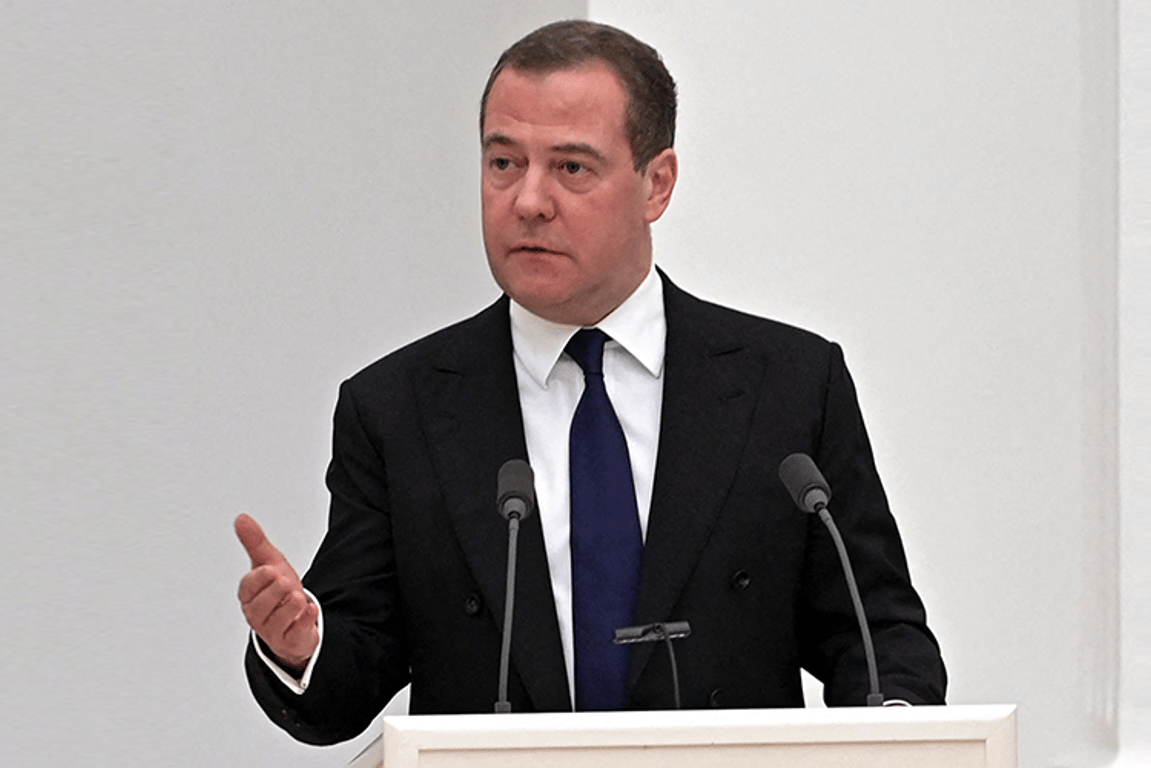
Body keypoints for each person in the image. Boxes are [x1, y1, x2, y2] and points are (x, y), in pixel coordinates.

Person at [236, 19, 946, 746]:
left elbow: (876, 633)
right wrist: (301, 647)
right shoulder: (398, 408)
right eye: (504, 163)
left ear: (656, 184)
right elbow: (351, 673)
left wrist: (898, 735)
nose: (528, 201)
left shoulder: (789, 384)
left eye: (571, 168)